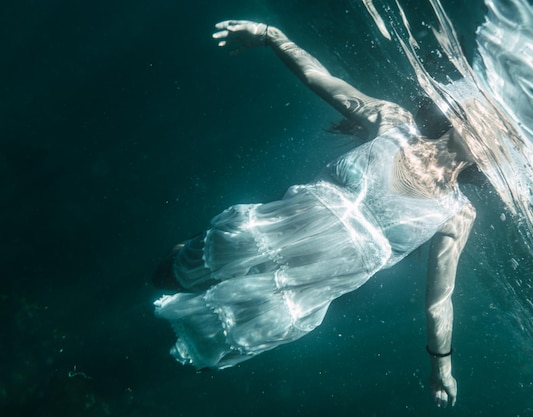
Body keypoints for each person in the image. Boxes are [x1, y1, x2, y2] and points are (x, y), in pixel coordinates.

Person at [153, 20, 476, 408]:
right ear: (460, 110)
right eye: (487, 116)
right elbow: (318, 77)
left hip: (295, 295)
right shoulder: (394, 123)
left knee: (204, 349)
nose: (489, 128)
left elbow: (439, 299)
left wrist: (442, 368)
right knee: (169, 274)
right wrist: (272, 36)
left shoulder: (457, 213)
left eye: (503, 136)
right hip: (257, 236)